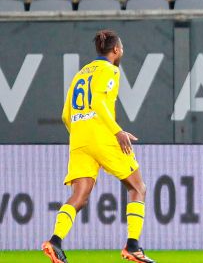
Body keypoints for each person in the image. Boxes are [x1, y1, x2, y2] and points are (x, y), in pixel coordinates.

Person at [42, 29, 155, 263]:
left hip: (79, 139)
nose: (121, 51)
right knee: (138, 187)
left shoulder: (80, 74)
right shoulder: (110, 70)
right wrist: (117, 131)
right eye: (121, 48)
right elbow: (97, 102)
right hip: (102, 136)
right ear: (115, 50)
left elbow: (65, 115)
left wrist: (82, 136)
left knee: (79, 196)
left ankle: (55, 241)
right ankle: (133, 246)